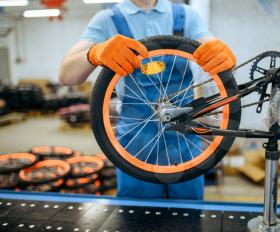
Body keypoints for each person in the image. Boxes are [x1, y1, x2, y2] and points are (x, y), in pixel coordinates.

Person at [59, 0, 236, 200]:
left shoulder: (186, 16)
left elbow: (216, 56)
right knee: (138, 219)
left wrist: (222, 57)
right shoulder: (108, 19)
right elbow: (66, 76)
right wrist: (94, 53)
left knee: (189, 217)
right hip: (135, 147)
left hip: (185, 143)